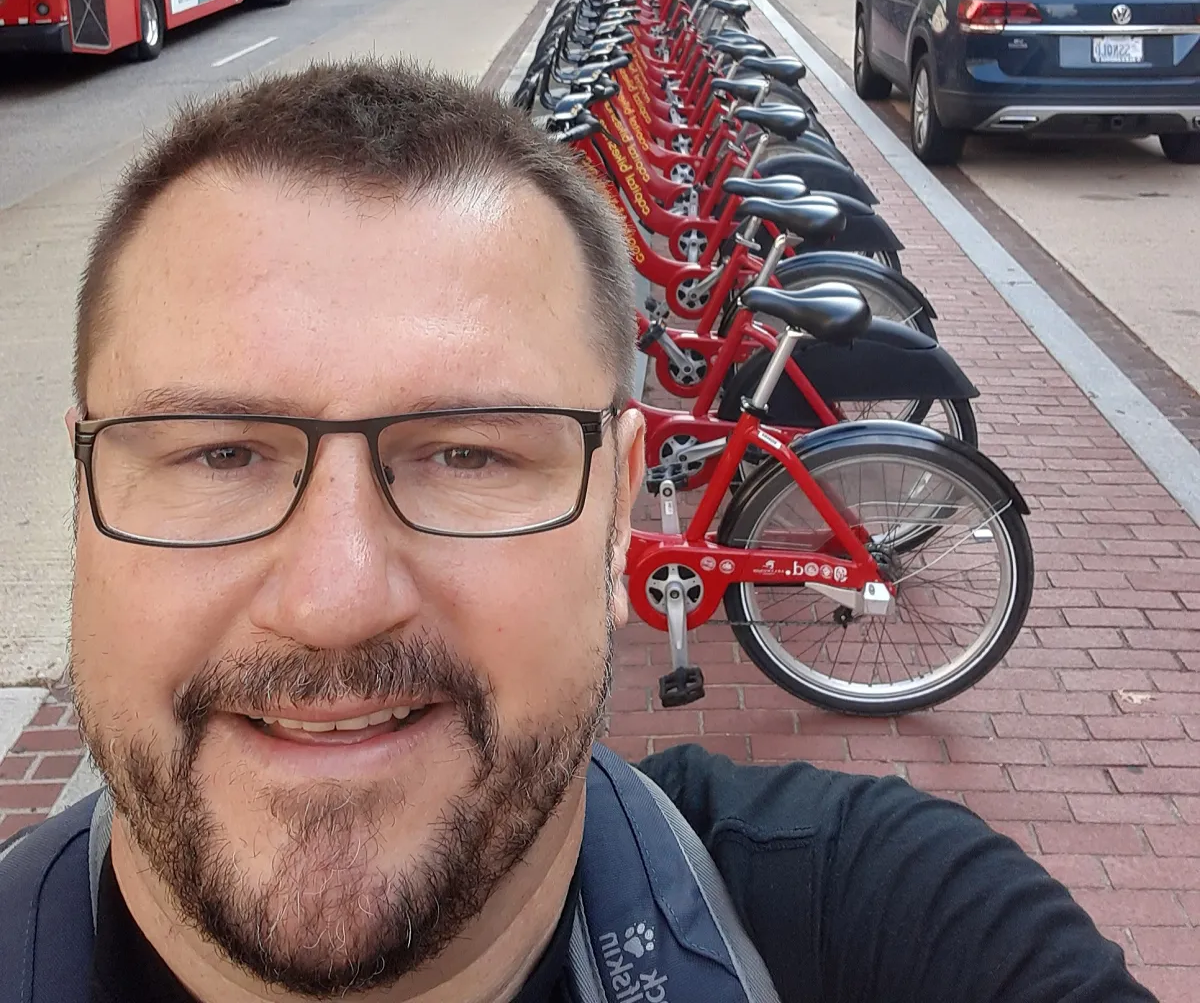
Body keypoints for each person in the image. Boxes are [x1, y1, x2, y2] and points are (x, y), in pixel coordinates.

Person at [0, 63, 1156, 1003]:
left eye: (469, 454)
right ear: (81, 493)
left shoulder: (889, 921)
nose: (334, 595)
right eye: (219, 452)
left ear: (617, 515)